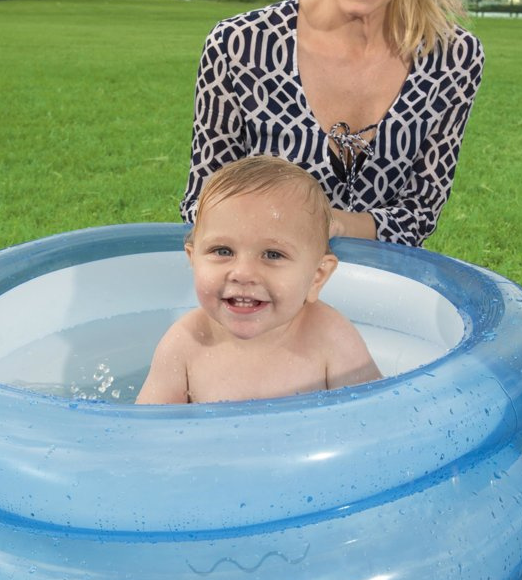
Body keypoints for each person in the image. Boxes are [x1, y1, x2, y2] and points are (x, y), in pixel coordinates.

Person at [179, 0, 522, 439]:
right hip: (264, 284)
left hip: (384, 275)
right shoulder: (239, 43)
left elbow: (419, 212)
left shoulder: (454, 56)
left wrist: (331, 225)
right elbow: (201, 200)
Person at [137, 156, 382, 404]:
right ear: (194, 259)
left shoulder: (331, 338)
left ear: (317, 277)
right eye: (223, 251)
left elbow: (378, 416)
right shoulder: (184, 343)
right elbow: (147, 425)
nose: (243, 273)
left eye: (273, 255)